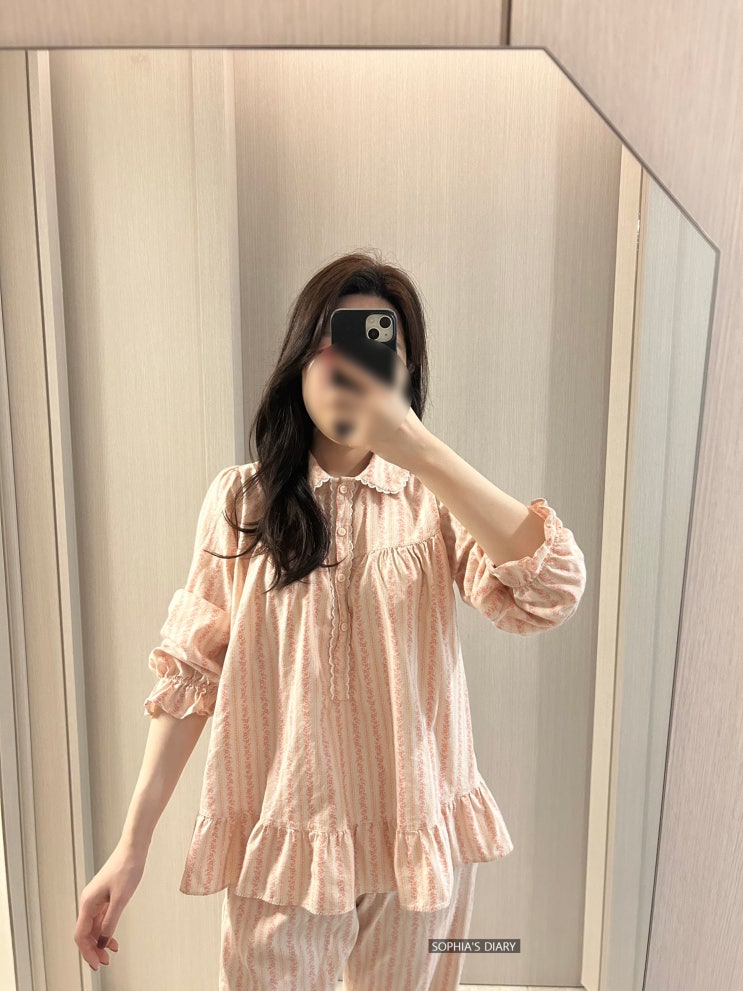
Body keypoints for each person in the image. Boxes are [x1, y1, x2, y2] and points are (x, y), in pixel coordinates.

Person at [74, 251, 586, 988]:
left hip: (416, 842)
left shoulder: (434, 504)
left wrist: (420, 450)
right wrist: (131, 847)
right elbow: (190, 675)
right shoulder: (242, 503)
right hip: (284, 844)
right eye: (330, 346)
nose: (349, 369)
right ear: (297, 364)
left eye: (376, 351)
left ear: (405, 373)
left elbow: (550, 592)